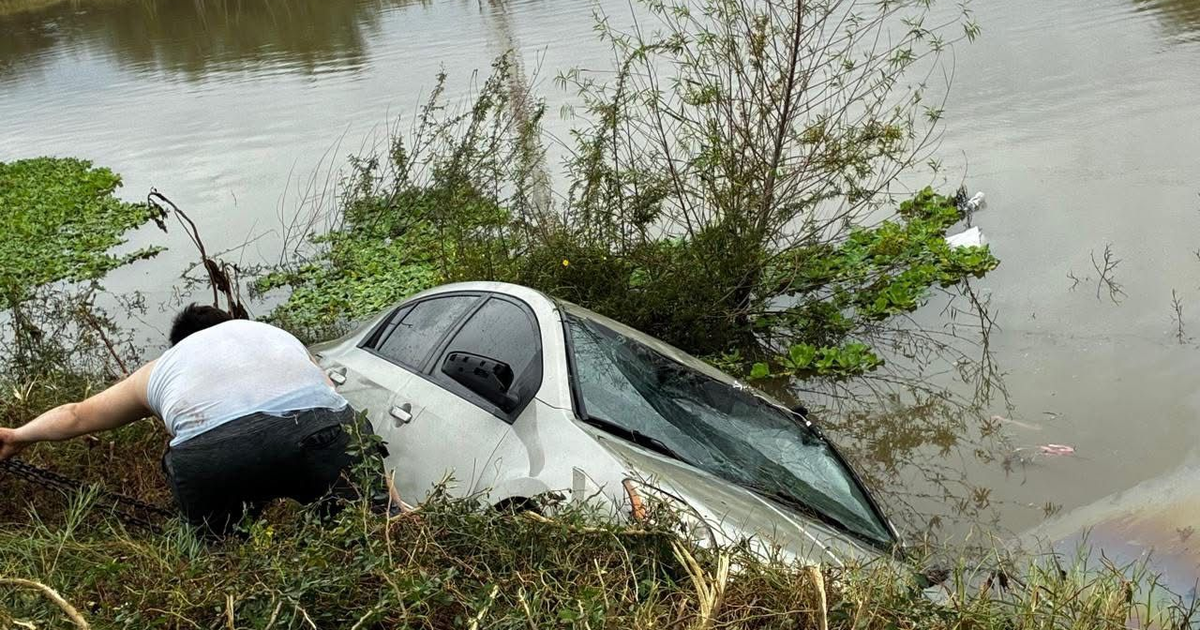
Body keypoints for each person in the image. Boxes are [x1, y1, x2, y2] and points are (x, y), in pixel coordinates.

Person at [0, 304, 377, 536]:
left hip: (211, 455)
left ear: (178, 344)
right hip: (320, 429)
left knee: (220, 551)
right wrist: (387, 499)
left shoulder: (162, 366)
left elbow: (76, 415)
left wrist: (18, 435)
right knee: (365, 526)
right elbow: (334, 401)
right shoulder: (275, 335)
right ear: (231, 323)